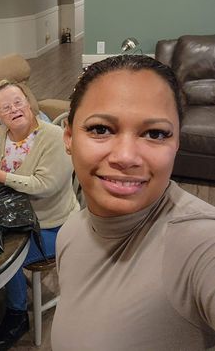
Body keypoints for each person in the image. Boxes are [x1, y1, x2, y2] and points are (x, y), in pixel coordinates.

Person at [52, 55, 215, 350]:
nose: (126, 157)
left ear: (177, 143)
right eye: (101, 129)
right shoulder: (71, 232)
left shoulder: (200, 243)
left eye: (155, 134)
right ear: (68, 137)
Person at [0, 80, 79, 350]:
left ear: (29, 103)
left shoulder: (54, 137)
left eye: (18, 102)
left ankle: (17, 315)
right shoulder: (7, 135)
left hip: (54, 225)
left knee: (2, 259)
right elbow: (9, 168)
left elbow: (44, 185)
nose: (14, 110)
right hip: (19, 217)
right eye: (5, 108)